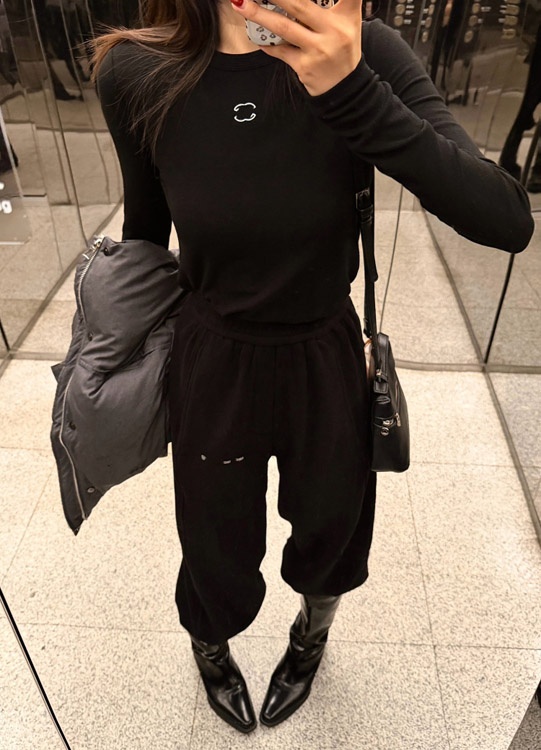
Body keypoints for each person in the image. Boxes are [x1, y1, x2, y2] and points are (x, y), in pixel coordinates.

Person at [91, 0, 534, 734]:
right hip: (213, 355)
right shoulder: (139, 71)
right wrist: (112, 361)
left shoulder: (365, 52)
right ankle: (210, 643)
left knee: (333, 526)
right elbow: (145, 231)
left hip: (325, 351)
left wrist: (350, 88)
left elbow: (506, 219)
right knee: (213, 536)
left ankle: (310, 636)